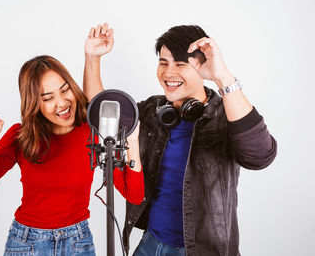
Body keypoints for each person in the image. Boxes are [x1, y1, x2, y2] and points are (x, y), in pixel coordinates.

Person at [83, 24, 277, 256]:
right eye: (163, 63)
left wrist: (222, 76)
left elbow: (261, 156)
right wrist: (92, 58)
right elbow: (102, 112)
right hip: (151, 244)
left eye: (180, 64)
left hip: (204, 251)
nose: (168, 73)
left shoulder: (226, 114)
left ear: (202, 67)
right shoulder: (152, 111)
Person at [0, 55, 144, 255]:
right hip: (26, 243)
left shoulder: (92, 132)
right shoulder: (20, 137)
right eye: (48, 98)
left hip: (78, 242)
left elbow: (134, 195)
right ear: (34, 103)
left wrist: (132, 142)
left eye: (65, 90)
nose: (62, 103)